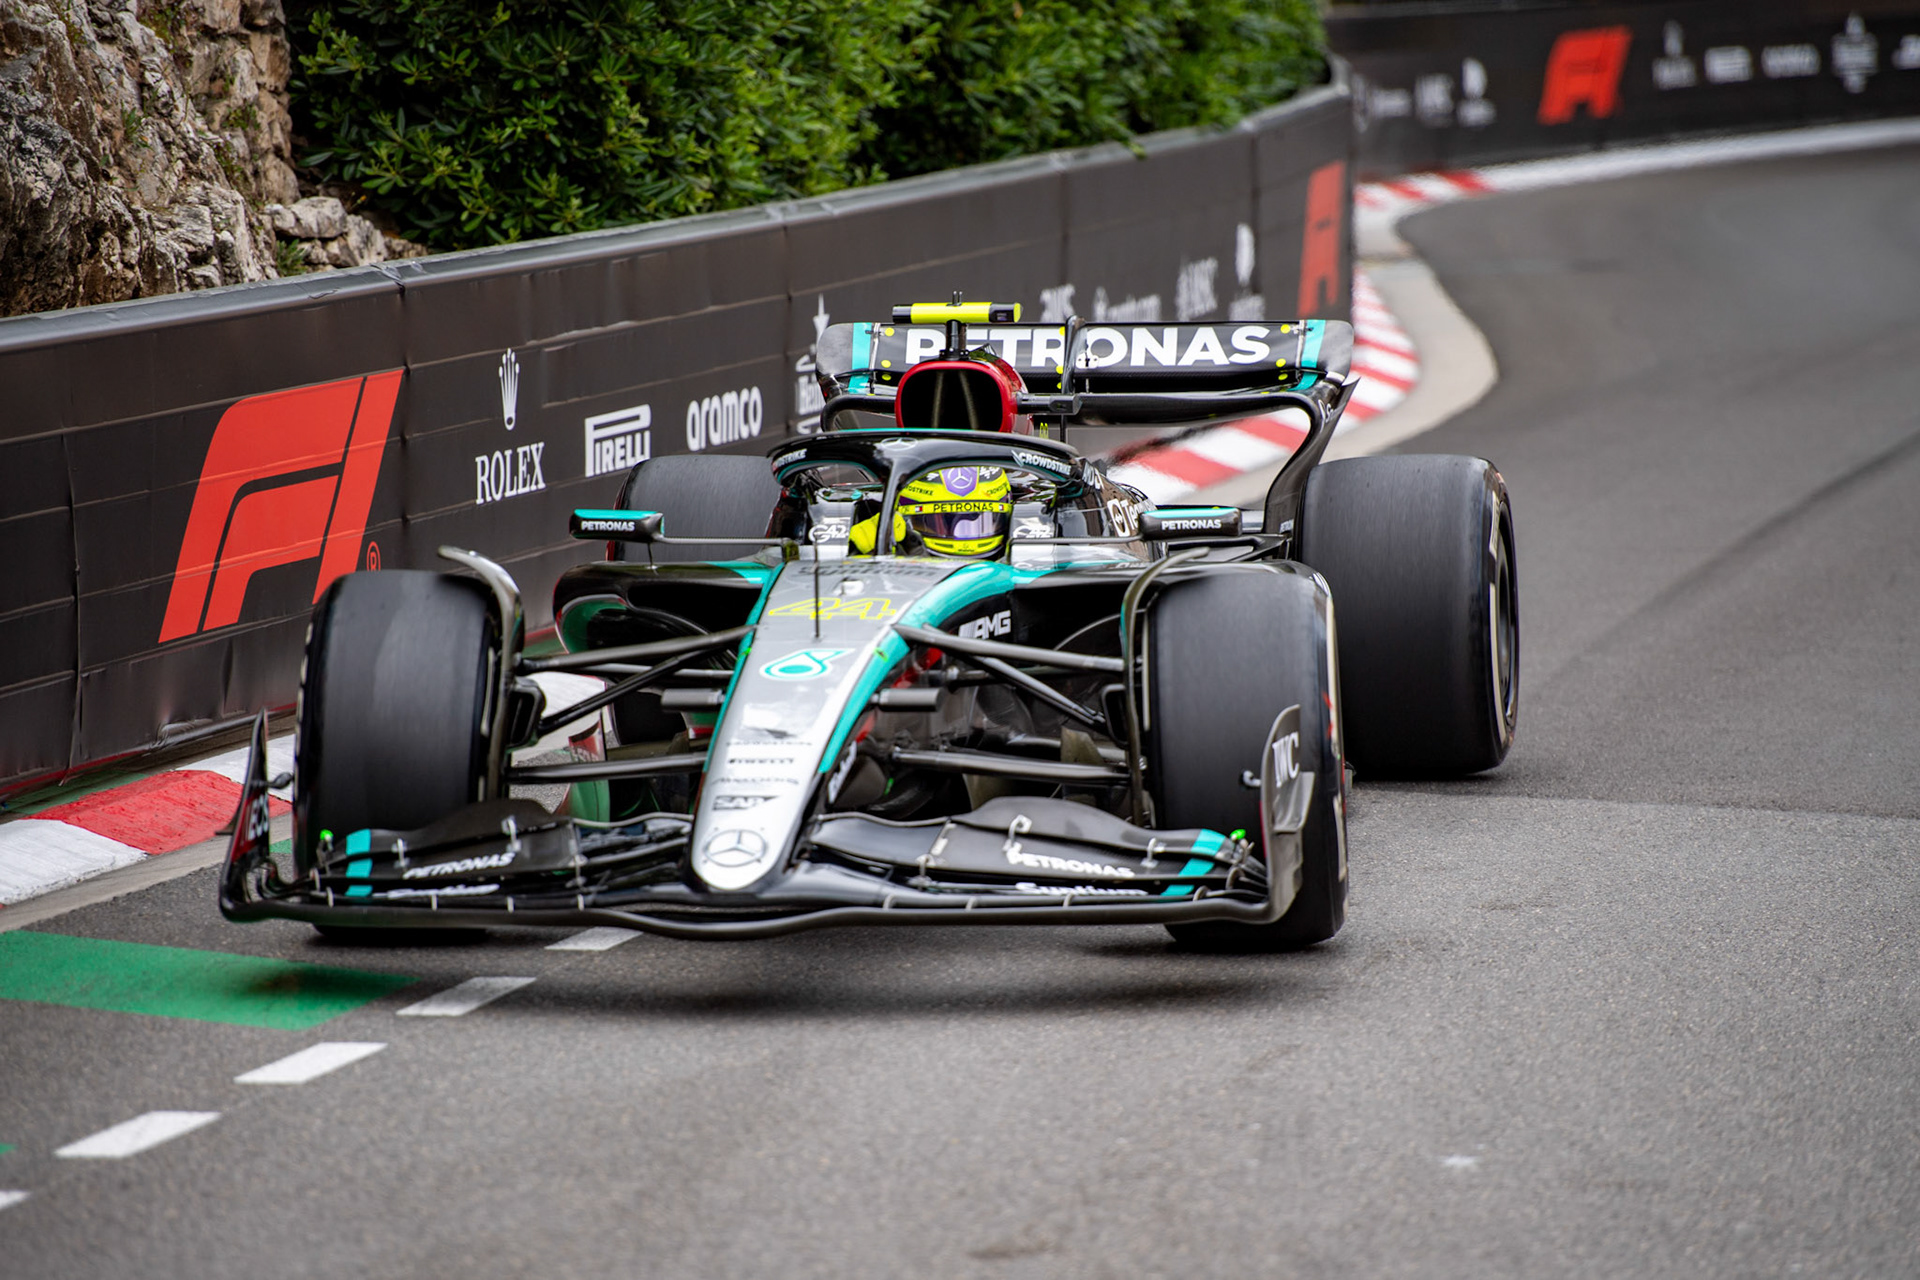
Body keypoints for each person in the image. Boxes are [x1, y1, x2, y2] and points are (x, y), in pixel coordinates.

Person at [847, 465, 1012, 559]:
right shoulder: (872, 538)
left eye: (980, 521)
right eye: (938, 523)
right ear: (902, 517)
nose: (963, 536)